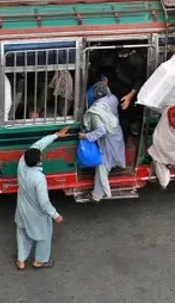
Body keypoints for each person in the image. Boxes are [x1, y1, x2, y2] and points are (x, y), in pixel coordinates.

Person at [14, 127, 70, 270]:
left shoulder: (22, 163)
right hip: (37, 215)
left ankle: (21, 261)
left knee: (22, 233)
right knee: (44, 236)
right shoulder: (39, 178)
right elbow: (44, 203)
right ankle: (39, 261)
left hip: (21, 210)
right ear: (39, 160)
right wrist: (55, 215)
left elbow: (37, 145)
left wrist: (56, 135)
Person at [80, 81, 126, 201]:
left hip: (107, 140)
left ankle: (97, 195)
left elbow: (101, 130)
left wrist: (86, 136)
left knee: (102, 167)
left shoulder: (96, 112)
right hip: (116, 133)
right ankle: (98, 193)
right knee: (106, 164)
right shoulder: (113, 99)